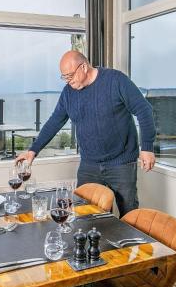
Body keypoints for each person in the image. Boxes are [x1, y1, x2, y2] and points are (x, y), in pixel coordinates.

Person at [15, 51, 156, 217]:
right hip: (89, 165)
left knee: (129, 214)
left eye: (70, 75)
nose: (68, 81)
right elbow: (55, 122)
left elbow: (144, 109)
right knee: (87, 216)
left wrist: (147, 146)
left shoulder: (115, 80)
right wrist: (33, 150)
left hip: (121, 162)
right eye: (64, 77)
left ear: (83, 67)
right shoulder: (68, 93)